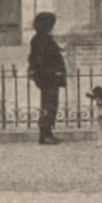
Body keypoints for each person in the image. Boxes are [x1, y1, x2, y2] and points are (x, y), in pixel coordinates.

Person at [27, 11, 67, 145]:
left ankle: (47, 133)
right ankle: (45, 135)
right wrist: (55, 72)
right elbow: (42, 59)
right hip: (49, 78)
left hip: (48, 78)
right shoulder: (43, 39)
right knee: (49, 105)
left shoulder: (40, 38)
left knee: (49, 105)